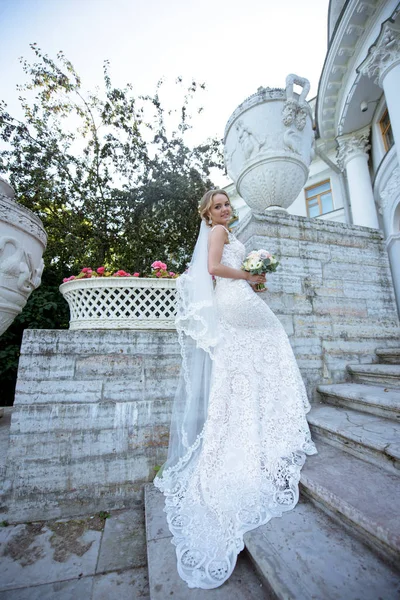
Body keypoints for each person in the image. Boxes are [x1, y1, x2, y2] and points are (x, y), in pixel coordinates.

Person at [154, 189, 317, 589]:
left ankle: (261, 417)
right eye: (218, 205)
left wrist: (254, 280)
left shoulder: (226, 232)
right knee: (274, 341)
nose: (225, 209)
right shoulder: (218, 234)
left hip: (237, 299)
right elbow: (211, 268)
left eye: (227, 204)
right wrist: (247, 275)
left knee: (245, 365)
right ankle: (277, 418)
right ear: (208, 213)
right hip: (234, 299)